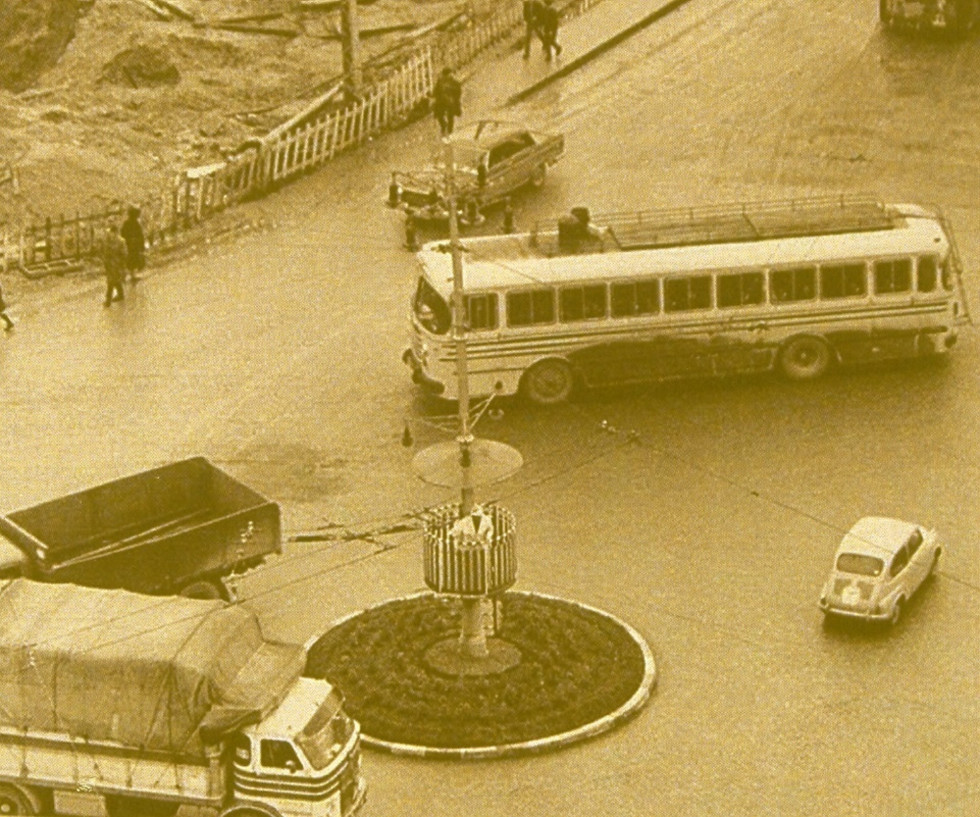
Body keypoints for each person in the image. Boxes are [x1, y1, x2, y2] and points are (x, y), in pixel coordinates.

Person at [432, 67, 462, 136]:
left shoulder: (454, 82)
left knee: (450, 116)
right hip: (441, 101)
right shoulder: (440, 82)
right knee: (439, 115)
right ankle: (443, 125)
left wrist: (454, 99)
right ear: (444, 75)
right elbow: (436, 91)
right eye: (446, 75)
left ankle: (450, 130)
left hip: (451, 102)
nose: (449, 76)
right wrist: (435, 98)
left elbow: (458, 92)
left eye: (450, 75)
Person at [120, 205, 146, 282]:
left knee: (131, 259)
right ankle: (129, 275)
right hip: (132, 244)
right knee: (131, 259)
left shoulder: (127, 223)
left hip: (131, 244)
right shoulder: (135, 224)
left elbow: (123, 234)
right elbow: (140, 235)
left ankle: (130, 274)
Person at [102, 224, 126, 306]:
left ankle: (108, 300)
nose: (110, 234)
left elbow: (124, 254)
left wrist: (122, 265)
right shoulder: (109, 241)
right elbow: (105, 252)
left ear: (115, 232)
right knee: (114, 280)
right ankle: (121, 294)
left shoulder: (121, 241)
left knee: (111, 282)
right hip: (109, 264)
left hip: (116, 264)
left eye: (111, 232)